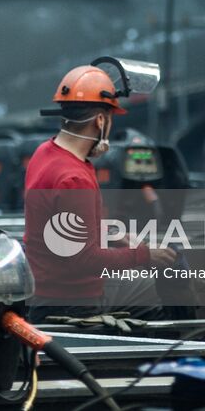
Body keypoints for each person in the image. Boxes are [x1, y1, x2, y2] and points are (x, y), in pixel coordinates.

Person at [23, 64, 177, 323]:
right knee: (155, 288)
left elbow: (67, 226)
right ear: (101, 120)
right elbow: (85, 259)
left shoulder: (44, 153)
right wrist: (144, 255)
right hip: (72, 300)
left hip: (45, 289)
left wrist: (116, 235)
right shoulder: (74, 178)